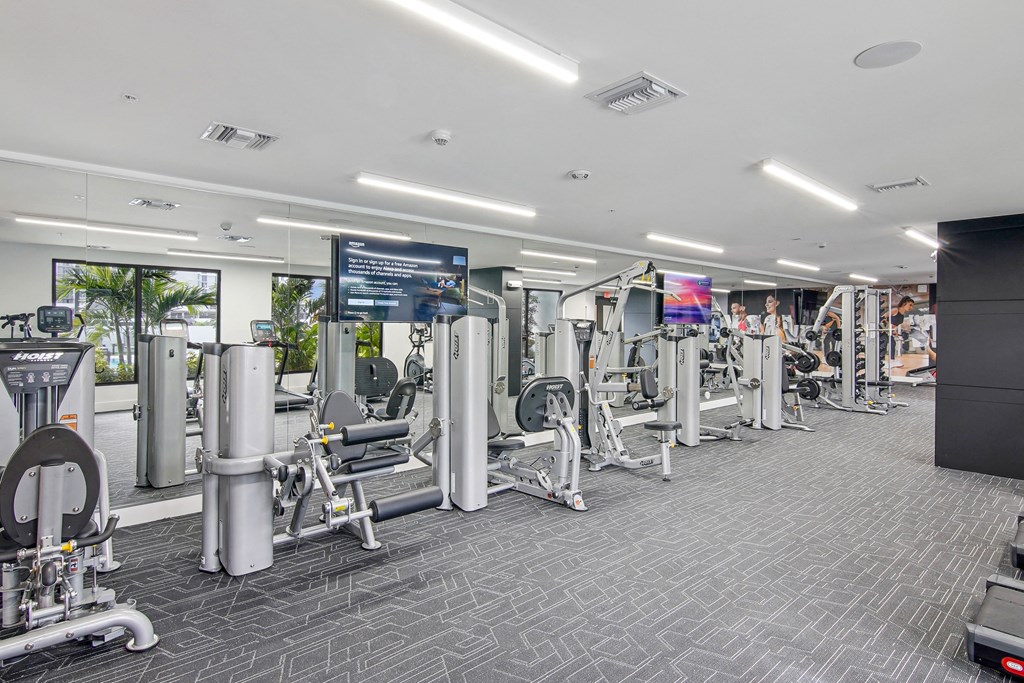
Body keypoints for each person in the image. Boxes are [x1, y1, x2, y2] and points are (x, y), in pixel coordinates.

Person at [883, 295, 915, 367]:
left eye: (912, 306)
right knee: (885, 344)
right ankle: (883, 361)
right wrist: (885, 327)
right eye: (910, 305)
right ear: (904, 303)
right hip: (882, 329)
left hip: (888, 331)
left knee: (892, 343)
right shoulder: (895, 310)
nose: (911, 307)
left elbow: (894, 325)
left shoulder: (902, 315)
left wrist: (894, 331)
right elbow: (882, 317)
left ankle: (891, 361)